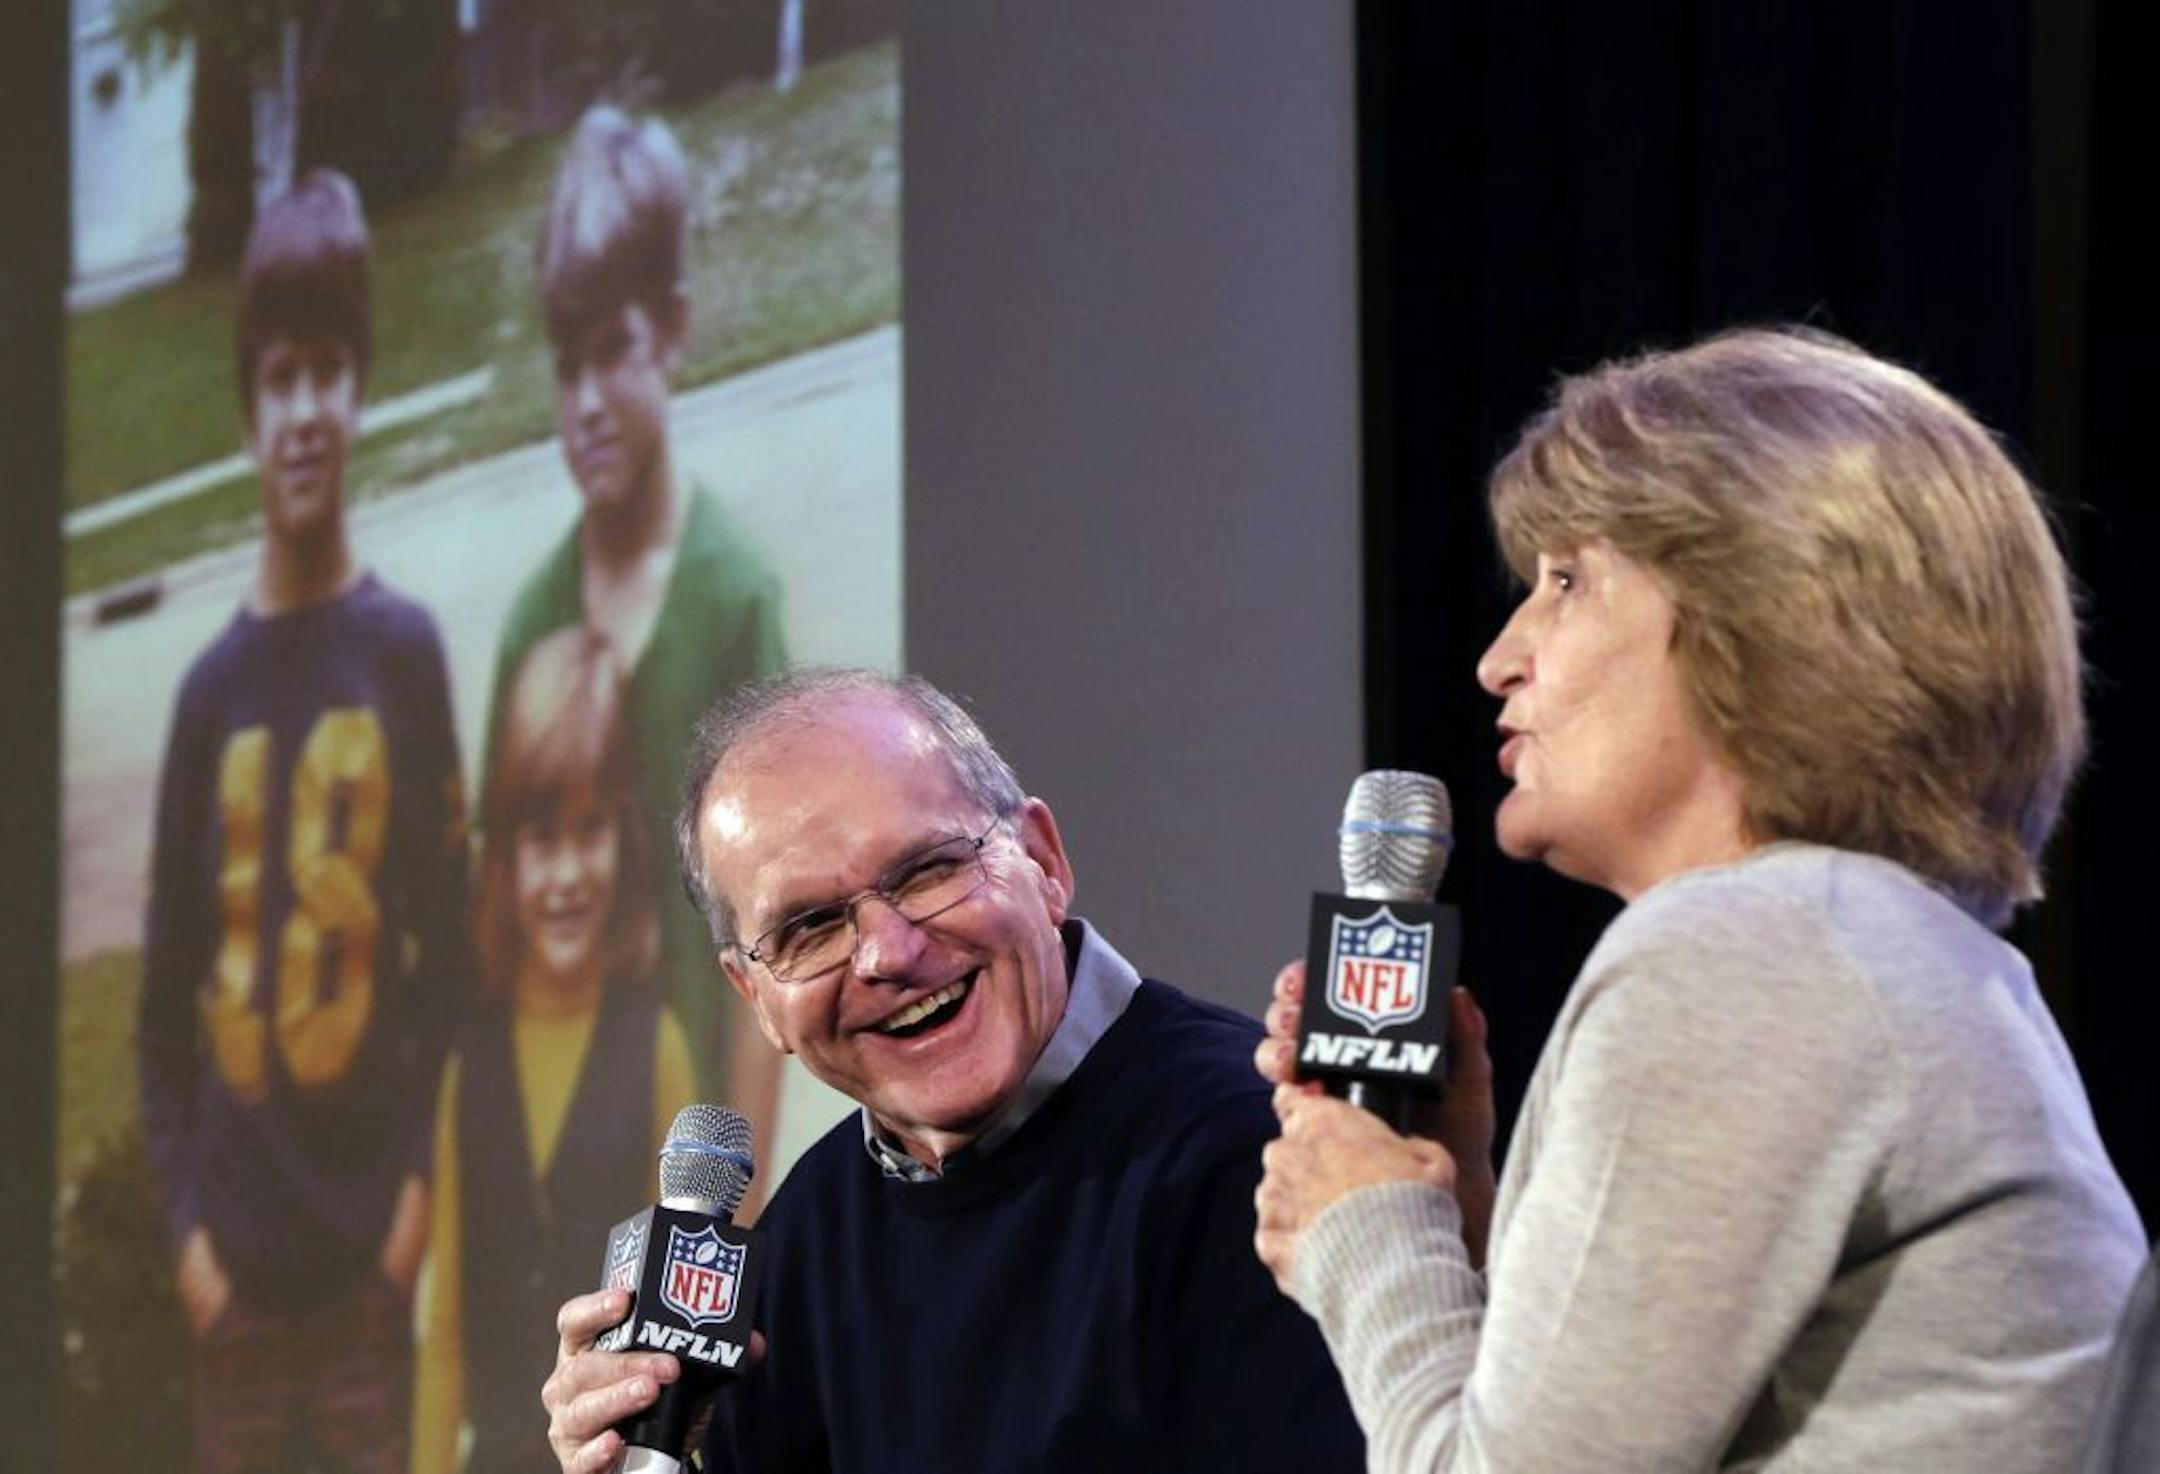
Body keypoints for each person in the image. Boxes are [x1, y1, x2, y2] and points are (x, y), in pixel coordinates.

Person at [1253, 327, 2148, 1470]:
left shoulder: (1753, 948)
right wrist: (1466, 1227)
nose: (1500, 656)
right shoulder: (1867, 945)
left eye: (1567, 582)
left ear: (1765, 616)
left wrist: (1365, 1227)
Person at [541, 670, 1364, 1472]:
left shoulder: (1261, 1155)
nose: (887, 954)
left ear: (1044, 861)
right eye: (810, 927)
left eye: (928, 871)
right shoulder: (805, 1236)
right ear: (755, 996)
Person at [137, 170, 470, 1474]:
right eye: (280, 379)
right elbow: (164, 1013)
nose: (305, 412)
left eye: (330, 373)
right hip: (236, 1290)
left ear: (361, 393)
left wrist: (408, 1218)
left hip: (359, 1291)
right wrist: (191, 1248)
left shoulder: (402, 652)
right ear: (246, 413)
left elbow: (449, 974)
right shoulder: (207, 693)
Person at [482, 104, 788, 1165]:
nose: (589, 403)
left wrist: (738, 1206)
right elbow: (499, 923)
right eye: (566, 367)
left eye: (614, 352)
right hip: (555, 1147)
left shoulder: (732, 596)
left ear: (673, 329)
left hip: (692, 1146)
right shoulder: (533, 616)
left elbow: (774, 933)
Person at [412, 627, 697, 1474]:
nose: (566, 874)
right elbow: (445, 1334)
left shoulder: (658, 1047)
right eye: (541, 842)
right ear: (503, 861)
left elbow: (682, 1327)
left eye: (589, 833)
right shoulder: (471, 1065)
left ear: (626, 846)